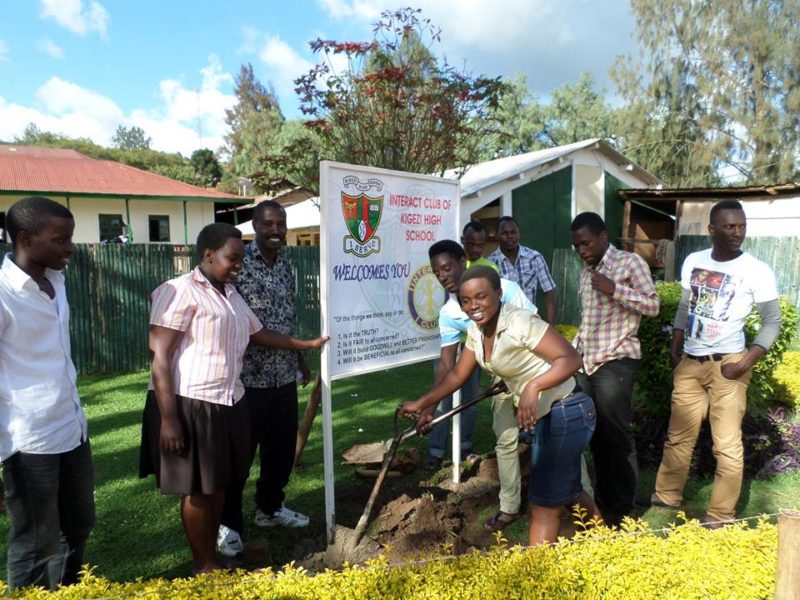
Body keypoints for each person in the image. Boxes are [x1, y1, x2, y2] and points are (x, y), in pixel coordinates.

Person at [140, 222, 327, 574]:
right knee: (198, 488)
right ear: (208, 255)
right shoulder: (177, 291)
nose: (239, 265)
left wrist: (306, 345)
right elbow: (160, 355)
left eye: (241, 258)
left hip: (229, 400)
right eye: (233, 258)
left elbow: (259, 333)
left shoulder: (229, 293)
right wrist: (168, 418)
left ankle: (212, 555)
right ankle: (203, 563)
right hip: (189, 402)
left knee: (219, 482)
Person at [401, 266, 601, 545]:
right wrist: (424, 404)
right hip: (548, 416)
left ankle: (535, 576)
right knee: (567, 490)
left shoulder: (520, 321)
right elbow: (458, 374)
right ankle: (607, 541)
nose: (473, 306)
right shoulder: (476, 331)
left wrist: (533, 386)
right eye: (466, 300)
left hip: (567, 410)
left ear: (498, 293)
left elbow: (570, 359)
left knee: (543, 503)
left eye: (481, 297)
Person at [644, 200, 781, 527]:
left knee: (727, 445)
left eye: (742, 226)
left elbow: (771, 322)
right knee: (679, 437)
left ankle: (720, 514)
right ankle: (666, 495)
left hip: (729, 367)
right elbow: (684, 307)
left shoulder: (757, 270)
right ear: (712, 229)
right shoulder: (694, 260)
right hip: (690, 363)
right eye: (730, 226)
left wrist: (743, 364)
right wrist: (675, 350)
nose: (738, 233)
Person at [0, 196, 95, 591]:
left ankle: (68, 592)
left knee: (78, 525)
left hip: (70, 427)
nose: (70, 247)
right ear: (26, 238)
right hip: (29, 439)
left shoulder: (56, 280)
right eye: (60, 239)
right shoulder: (4, 294)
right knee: (36, 540)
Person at [219, 200, 315, 558]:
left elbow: (286, 317)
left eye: (281, 223)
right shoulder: (239, 263)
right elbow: (244, 324)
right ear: (255, 225)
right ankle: (227, 525)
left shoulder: (286, 262)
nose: (275, 230)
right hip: (246, 379)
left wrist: (300, 360)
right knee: (240, 458)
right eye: (268, 224)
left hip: (282, 377)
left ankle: (270, 509)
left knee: (279, 452)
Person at [422, 241, 535, 523]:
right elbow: (449, 366)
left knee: (553, 433)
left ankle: (579, 495)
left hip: (536, 372)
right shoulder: (449, 313)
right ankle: (510, 506)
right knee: (505, 438)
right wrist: (429, 405)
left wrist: (532, 382)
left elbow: (538, 331)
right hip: (502, 378)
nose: (442, 276)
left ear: (463, 261)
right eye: (436, 272)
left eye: (447, 268)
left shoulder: (505, 289)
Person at [569, 212, 659, 527]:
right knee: (595, 434)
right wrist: (574, 349)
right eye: (576, 246)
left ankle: (624, 509)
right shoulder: (586, 271)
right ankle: (606, 502)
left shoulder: (629, 263)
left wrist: (614, 289)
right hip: (588, 361)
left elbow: (652, 305)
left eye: (585, 243)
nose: (581, 250)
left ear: (603, 236)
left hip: (617, 359)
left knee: (616, 434)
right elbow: (589, 320)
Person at [488, 216, 557, 324]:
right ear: (496, 236)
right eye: (504, 233)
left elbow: (549, 292)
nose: (510, 236)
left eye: (513, 232)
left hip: (531, 322)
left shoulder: (535, 258)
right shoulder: (490, 264)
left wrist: (551, 326)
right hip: (504, 325)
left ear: (518, 234)